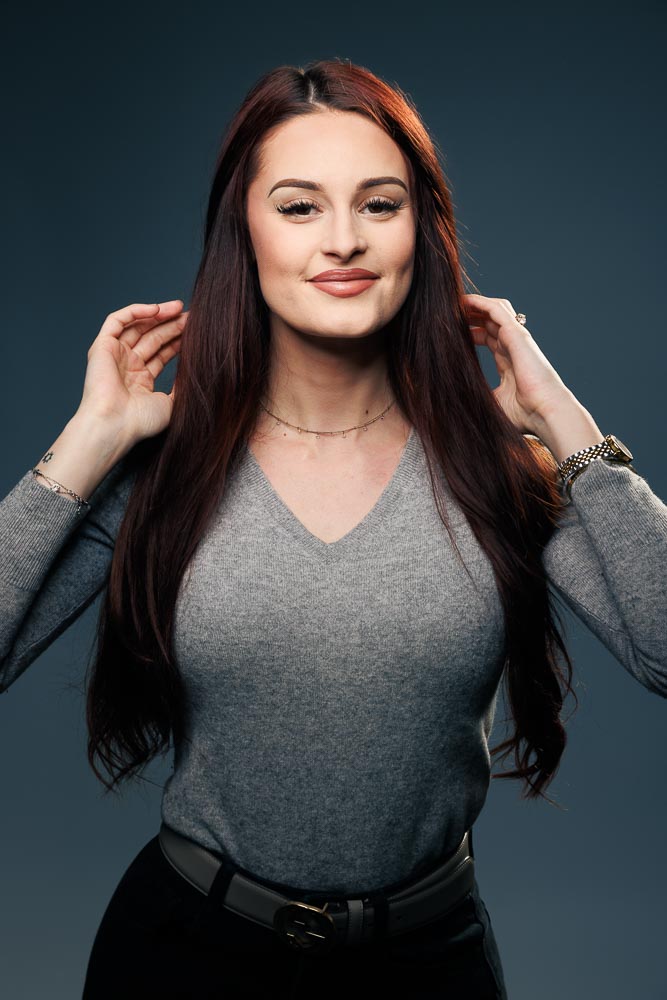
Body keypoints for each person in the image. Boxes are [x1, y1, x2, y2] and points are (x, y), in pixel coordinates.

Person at [1, 57, 666, 1000]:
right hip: (185, 957)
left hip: (427, 968)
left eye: (379, 205)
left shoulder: (495, 469)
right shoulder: (162, 468)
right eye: (299, 206)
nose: (344, 240)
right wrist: (86, 443)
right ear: (243, 232)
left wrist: (564, 424)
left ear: (420, 232)